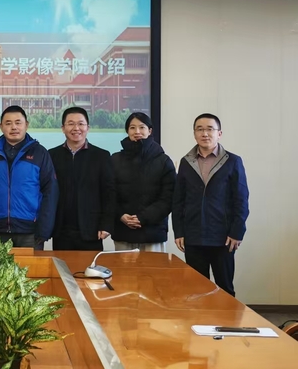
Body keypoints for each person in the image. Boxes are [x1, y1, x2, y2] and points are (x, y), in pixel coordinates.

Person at [172, 113, 249, 297]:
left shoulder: (232, 161)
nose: (204, 133)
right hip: (193, 235)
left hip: (223, 237)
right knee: (196, 290)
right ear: (194, 134)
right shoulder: (186, 162)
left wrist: (237, 231)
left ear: (219, 133)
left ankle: (227, 317)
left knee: (225, 288)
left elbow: (241, 200)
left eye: (210, 129)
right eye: (200, 129)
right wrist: (179, 231)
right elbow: (178, 200)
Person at [0, 105, 58, 250]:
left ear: (26, 125)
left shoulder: (40, 153)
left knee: (30, 266)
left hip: (30, 232)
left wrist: (44, 229)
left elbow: (50, 192)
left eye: (18, 122)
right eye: (8, 123)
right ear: (1, 126)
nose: (13, 127)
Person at [49, 107, 115, 251]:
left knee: (91, 266)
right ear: (63, 128)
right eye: (71, 124)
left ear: (88, 128)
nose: (76, 128)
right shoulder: (51, 156)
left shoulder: (101, 156)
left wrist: (107, 224)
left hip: (91, 229)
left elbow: (109, 193)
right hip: (61, 229)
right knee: (61, 265)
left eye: (80, 123)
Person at [111, 112, 176, 252]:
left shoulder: (163, 161)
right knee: (122, 267)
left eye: (142, 127)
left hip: (153, 233)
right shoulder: (115, 160)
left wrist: (143, 217)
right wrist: (120, 215)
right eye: (132, 127)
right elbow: (108, 194)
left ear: (150, 131)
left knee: (153, 267)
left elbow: (168, 198)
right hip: (123, 231)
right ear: (127, 131)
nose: (137, 131)